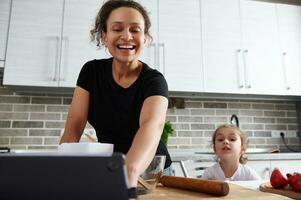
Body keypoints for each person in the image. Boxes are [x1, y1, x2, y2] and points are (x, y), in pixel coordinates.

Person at [59, 0, 172, 189]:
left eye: (135, 30)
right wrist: (59, 169)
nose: (126, 36)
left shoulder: (154, 81)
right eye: (117, 29)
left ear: (145, 38)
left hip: (150, 174)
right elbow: (73, 128)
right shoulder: (91, 72)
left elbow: (151, 127)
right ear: (104, 36)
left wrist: (130, 171)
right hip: (113, 168)